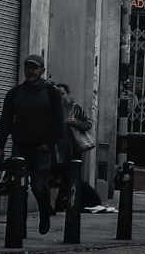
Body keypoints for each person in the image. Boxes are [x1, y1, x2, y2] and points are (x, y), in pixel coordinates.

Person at [0, 54, 65, 235]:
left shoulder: (52, 93)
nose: (30, 71)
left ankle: (44, 212)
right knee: (18, 188)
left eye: (34, 68)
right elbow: (6, 121)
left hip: (41, 149)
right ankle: (20, 227)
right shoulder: (15, 94)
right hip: (20, 148)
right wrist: (0, 147)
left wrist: (49, 144)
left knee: (39, 187)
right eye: (28, 67)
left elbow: (60, 123)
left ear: (42, 71)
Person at [52, 83, 93, 211]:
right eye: (57, 94)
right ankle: (53, 205)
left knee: (72, 178)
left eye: (62, 94)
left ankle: (73, 203)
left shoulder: (75, 108)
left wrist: (76, 123)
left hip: (71, 150)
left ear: (68, 94)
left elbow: (88, 123)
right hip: (54, 151)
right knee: (54, 179)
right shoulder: (51, 108)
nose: (60, 97)